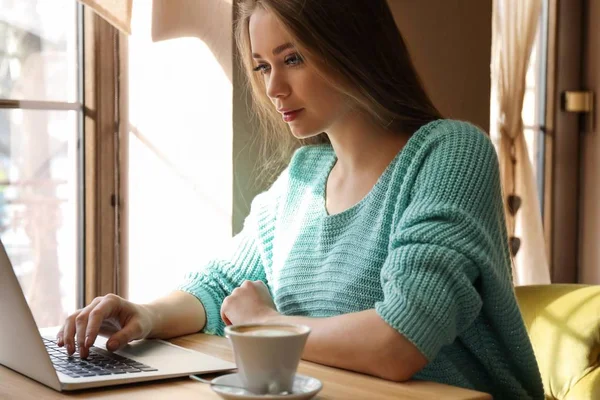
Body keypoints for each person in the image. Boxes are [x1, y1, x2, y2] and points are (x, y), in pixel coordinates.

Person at [57, 1, 544, 398]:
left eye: (293, 59)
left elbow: (399, 342)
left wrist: (269, 323)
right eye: (262, 65)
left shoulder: (451, 153)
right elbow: (219, 286)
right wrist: (146, 315)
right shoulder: (302, 179)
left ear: (354, 47)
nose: (273, 87)